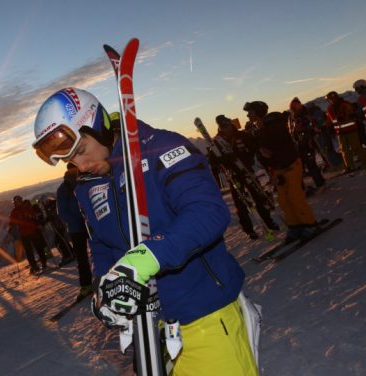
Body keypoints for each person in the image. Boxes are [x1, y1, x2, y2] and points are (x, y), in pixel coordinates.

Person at [32, 88, 258, 375]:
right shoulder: (87, 184)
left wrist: (145, 257)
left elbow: (207, 211)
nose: (81, 165)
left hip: (204, 314)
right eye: (71, 161)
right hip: (152, 328)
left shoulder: (160, 148)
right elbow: (100, 241)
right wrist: (106, 284)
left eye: (81, 151)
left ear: (97, 126)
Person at [253, 111, 320, 243]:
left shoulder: (274, 125)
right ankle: (295, 225)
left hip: (290, 165)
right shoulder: (262, 131)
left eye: (251, 114)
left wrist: (260, 134)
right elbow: (266, 154)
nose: (249, 117)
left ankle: (310, 224)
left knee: (295, 196)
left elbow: (274, 138)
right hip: (279, 169)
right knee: (284, 200)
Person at [211, 115, 279, 239]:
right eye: (225, 126)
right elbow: (213, 161)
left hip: (247, 170)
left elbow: (253, 146)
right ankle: (248, 229)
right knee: (241, 203)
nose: (228, 128)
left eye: (228, 125)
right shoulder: (217, 142)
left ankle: (269, 221)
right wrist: (223, 161)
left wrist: (251, 153)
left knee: (258, 196)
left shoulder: (240, 135)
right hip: (233, 175)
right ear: (221, 128)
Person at [56, 163, 93, 300]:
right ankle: (87, 284)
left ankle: (92, 282)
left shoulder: (84, 181)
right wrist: (78, 221)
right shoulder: (65, 188)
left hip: (84, 226)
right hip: (78, 227)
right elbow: (62, 211)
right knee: (83, 258)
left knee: (95, 253)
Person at [324, 91, 366, 173]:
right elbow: (330, 120)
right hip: (340, 132)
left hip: (350, 130)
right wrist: (325, 126)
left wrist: (345, 117)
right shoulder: (330, 108)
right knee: (344, 150)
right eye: (330, 99)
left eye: (331, 98)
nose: (331, 100)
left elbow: (352, 114)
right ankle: (349, 166)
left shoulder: (345, 104)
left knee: (356, 148)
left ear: (335, 97)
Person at [288, 98, 326, 188]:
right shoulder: (292, 117)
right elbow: (292, 131)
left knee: (310, 163)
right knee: (305, 165)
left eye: (296, 106)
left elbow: (311, 126)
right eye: (293, 107)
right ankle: (313, 183)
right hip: (300, 144)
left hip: (307, 142)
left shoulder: (304, 115)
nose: (295, 108)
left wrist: (307, 134)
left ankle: (319, 182)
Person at [9, 195, 48, 274]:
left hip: (25, 234)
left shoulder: (14, 212)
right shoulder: (26, 208)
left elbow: (11, 223)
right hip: (32, 231)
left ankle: (34, 266)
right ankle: (43, 263)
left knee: (29, 251)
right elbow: (34, 215)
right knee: (38, 247)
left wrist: (11, 229)